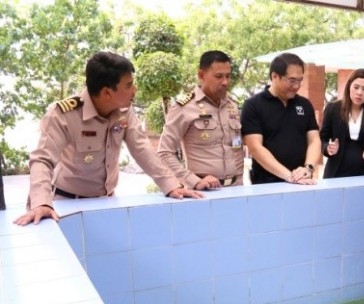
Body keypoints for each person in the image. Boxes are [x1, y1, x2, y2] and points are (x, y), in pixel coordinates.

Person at [14, 51, 201, 226]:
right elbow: (42, 160)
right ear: (106, 93)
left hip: (106, 202)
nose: (134, 90)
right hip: (66, 204)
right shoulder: (64, 114)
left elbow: (142, 149)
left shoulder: (124, 111)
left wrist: (171, 185)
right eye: (128, 85)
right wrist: (41, 203)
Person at [158, 50, 243, 189]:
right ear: (201, 75)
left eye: (228, 76)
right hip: (203, 192)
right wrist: (193, 181)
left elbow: (236, 147)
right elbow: (164, 153)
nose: (225, 82)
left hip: (236, 188)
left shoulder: (232, 106)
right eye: (219, 76)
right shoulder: (184, 108)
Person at [241, 53, 320, 185]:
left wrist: (308, 168)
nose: (296, 86)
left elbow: (314, 140)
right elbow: (255, 147)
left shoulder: (304, 104)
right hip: (266, 184)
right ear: (274, 76)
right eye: (292, 80)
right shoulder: (253, 105)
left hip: (302, 182)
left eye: (300, 80)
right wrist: (289, 176)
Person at [320, 68, 364, 178]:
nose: (359, 93)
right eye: (356, 87)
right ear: (349, 86)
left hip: (362, 172)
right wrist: (328, 148)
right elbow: (321, 138)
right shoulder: (333, 109)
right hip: (335, 172)